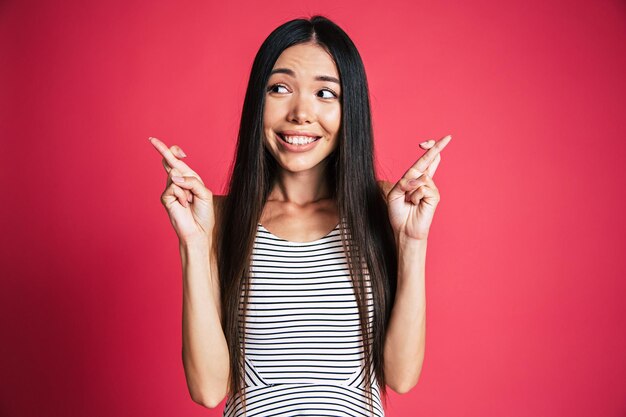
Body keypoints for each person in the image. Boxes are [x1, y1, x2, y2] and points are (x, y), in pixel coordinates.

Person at [149, 15, 451, 417]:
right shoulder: (218, 217)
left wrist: (412, 243)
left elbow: (401, 376)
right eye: (279, 88)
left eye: (326, 93)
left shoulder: (382, 207)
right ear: (258, 101)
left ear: (351, 109)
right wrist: (193, 241)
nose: (300, 113)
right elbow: (207, 389)